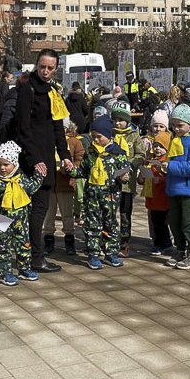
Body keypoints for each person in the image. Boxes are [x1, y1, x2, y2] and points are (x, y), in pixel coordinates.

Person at [15, 49, 74, 273]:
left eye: (50, 68)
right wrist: (34, 159)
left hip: (47, 158)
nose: (46, 71)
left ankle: (31, 254)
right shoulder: (27, 89)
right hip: (32, 159)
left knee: (39, 208)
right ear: (36, 65)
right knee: (33, 208)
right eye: (42, 66)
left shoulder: (53, 91)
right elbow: (22, 129)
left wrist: (65, 156)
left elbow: (58, 127)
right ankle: (35, 257)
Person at [0, 142, 48, 286]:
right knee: (3, 247)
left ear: (14, 164)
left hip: (21, 220)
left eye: (6, 164)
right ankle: (5, 273)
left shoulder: (21, 179)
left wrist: (39, 174)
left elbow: (32, 187)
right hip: (1, 219)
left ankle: (24, 269)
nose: (2, 168)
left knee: (24, 245)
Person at [71, 117, 130, 269]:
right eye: (94, 136)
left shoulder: (118, 153)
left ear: (108, 135)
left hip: (110, 195)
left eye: (99, 136)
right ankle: (93, 254)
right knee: (92, 225)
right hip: (91, 195)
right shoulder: (90, 152)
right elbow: (82, 171)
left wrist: (124, 177)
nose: (96, 139)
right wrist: (70, 170)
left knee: (110, 223)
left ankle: (111, 253)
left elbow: (124, 172)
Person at [162, 105, 190, 269]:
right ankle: (180, 250)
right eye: (174, 125)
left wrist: (170, 167)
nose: (176, 128)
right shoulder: (175, 141)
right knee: (175, 222)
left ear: (189, 124)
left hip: (189, 191)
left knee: (189, 223)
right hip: (174, 189)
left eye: (180, 125)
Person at [110, 101, 146, 255]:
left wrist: (130, 165)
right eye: (115, 119)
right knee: (109, 212)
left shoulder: (134, 134)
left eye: (121, 120)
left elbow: (141, 154)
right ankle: (108, 239)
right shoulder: (108, 133)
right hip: (110, 182)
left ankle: (124, 242)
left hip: (127, 182)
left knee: (125, 213)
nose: (118, 122)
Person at [44, 119, 85, 256]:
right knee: (49, 214)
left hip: (65, 184)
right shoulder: (48, 140)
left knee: (67, 214)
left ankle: (69, 240)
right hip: (49, 184)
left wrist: (71, 168)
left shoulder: (74, 142)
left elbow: (80, 159)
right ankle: (48, 239)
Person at [141, 132, 173, 256]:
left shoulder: (167, 161)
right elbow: (143, 178)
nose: (157, 149)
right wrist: (143, 175)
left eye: (161, 146)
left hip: (163, 198)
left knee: (162, 223)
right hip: (152, 198)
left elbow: (169, 178)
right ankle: (158, 243)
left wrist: (160, 179)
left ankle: (165, 244)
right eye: (155, 146)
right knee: (155, 222)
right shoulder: (150, 160)